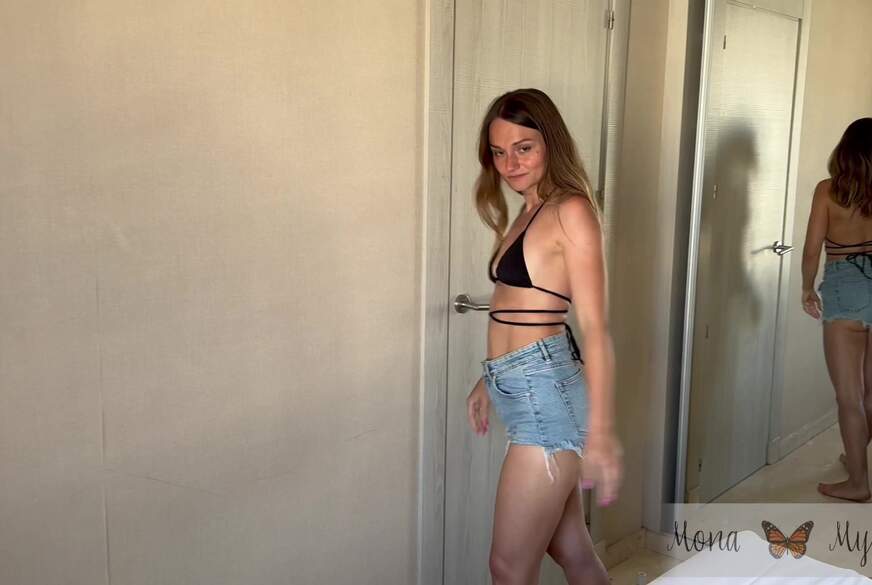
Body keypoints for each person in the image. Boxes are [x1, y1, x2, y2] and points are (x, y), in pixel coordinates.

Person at [464, 88, 622, 584]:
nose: (509, 164)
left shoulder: (570, 210)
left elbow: (595, 327)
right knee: (571, 549)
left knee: (508, 567)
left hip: (544, 397)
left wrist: (602, 434)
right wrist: (487, 378)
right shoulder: (529, 208)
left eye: (523, 148)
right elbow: (517, 307)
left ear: (550, 141)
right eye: (498, 152)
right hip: (520, 384)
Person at [802, 117, 872, 503]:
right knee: (870, 393)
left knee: (849, 396)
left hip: (846, 291)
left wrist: (806, 288)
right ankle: (856, 454)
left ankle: (859, 482)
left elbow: (812, 249)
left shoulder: (828, 191)